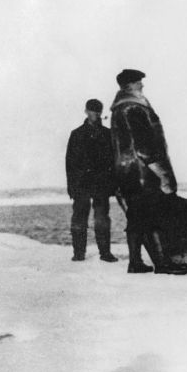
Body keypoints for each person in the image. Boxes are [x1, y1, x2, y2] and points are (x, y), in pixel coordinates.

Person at [110, 69, 187, 275]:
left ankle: (135, 262)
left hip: (127, 173)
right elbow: (144, 147)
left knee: (135, 218)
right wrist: (162, 174)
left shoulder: (118, 109)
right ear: (130, 86)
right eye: (138, 83)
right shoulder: (134, 108)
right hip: (144, 173)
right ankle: (162, 263)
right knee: (155, 215)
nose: (142, 86)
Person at [65, 99, 118, 263]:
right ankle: (78, 253)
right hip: (81, 185)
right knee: (79, 219)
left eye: (98, 111)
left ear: (101, 113)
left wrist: (112, 184)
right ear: (86, 111)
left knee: (102, 219)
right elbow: (70, 163)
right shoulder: (77, 134)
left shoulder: (108, 134)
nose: (95, 114)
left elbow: (113, 161)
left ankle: (105, 253)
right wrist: (71, 186)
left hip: (101, 184)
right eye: (92, 111)